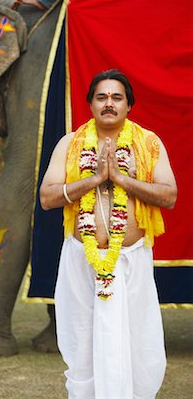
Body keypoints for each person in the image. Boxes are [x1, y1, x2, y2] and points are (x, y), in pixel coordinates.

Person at [40, 69, 177, 399]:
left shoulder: (148, 143)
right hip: (79, 258)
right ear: (90, 104)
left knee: (138, 346)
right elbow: (47, 197)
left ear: (129, 105)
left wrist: (122, 179)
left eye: (117, 97)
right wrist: (94, 178)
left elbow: (169, 195)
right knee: (81, 342)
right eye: (101, 97)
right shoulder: (70, 144)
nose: (109, 104)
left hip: (130, 261)